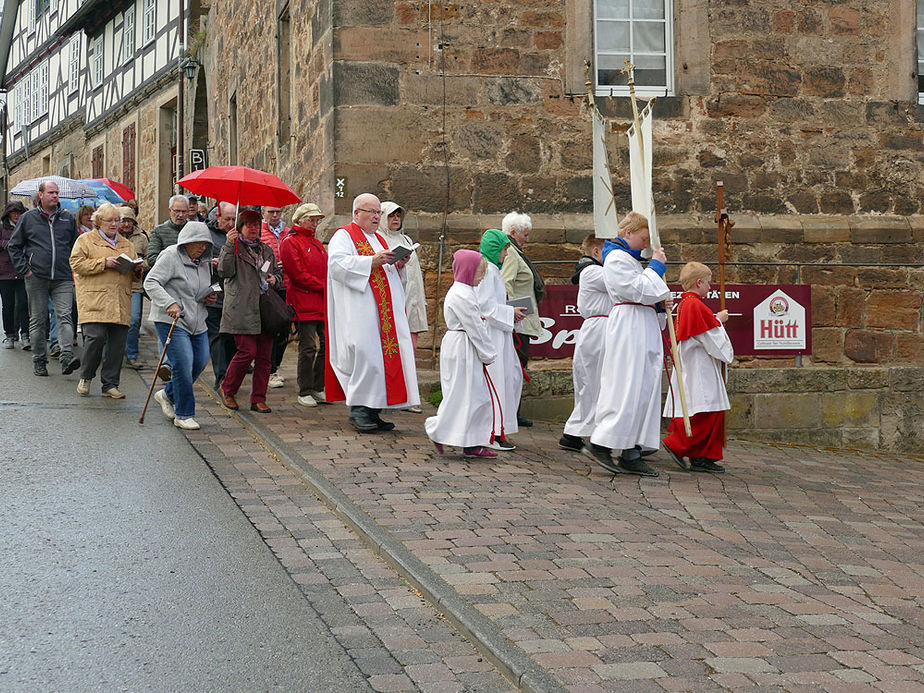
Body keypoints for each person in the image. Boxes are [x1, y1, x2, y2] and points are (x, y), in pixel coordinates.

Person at [326, 193, 420, 432]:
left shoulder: (379, 238)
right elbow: (337, 265)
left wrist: (399, 263)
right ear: (357, 213)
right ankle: (359, 410)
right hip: (359, 310)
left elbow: (387, 270)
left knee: (380, 359)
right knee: (366, 357)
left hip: (384, 311)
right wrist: (371, 261)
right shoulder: (344, 235)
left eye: (379, 212)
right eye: (372, 212)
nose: (378, 217)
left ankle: (374, 410)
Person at [586, 212, 670, 478]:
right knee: (627, 383)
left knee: (643, 386)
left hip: (641, 323)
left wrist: (658, 303)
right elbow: (635, 290)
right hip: (629, 324)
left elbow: (646, 291)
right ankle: (603, 441)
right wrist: (656, 267)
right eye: (643, 238)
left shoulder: (630, 260)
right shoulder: (616, 258)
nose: (645, 245)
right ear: (628, 233)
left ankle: (631, 449)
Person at [144, 221, 217, 430]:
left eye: (205, 244)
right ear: (186, 241)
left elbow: (199, 291)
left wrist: (208, 297)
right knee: (183, 364)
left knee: (200, 361)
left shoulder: (203, 263)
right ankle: (183, 414)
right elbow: (151, 282)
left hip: (197, 320)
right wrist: (170, 303)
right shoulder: (170, 256)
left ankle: (167, 394)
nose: (202, 248)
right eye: (198, 243)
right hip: (172, 320)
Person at [662, 262, 734, 473]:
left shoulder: (687, 304)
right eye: (709, 283)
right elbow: (708, 337)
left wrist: (713, 320)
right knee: (706, 410)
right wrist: (719, 321)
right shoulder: (694, 305)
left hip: (696, 362)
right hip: (699, 365)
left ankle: (703, 456)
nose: (710, 288)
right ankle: (678, 444)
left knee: (711, 409)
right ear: (699, 282)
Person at [426, 250, 498, 458]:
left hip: (462, 345)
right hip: (464, 347)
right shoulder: (463, 295)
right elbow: (475, 327)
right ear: (468, 270)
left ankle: (471, 441)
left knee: (470, 395)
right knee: (466, 394)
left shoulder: (463, 292)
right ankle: (440, 431)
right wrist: (488, 354)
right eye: (479, 272)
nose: (483, 276)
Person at [7, 180, 81, 377]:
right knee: (38, 320)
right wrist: (25, 269)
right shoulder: (28, 218)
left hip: (63, 276)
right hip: (36, 277)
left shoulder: (67, 219)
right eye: (51, 192)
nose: (55, 196)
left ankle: (66, 356)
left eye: (57, 193)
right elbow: (14, 246)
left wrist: (73, 266)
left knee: (65, 316)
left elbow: (77, 246)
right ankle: (39, 360)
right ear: (40, 195)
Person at [69, 202, 140, 398]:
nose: (115, 224)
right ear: (98, 222)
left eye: (117, 220)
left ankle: (110, 384)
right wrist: (103, 263)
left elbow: (135, 273)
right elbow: (76, 264)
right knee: (95, 338)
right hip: (94, 299)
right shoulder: (85, 241)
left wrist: (137, 269)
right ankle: (86, 376)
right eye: (110, 220)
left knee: (117, 344)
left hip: (120, 299)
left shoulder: (127, 244)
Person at [217, 209, 282, 414]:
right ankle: (228, 389)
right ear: (240, 227)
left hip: (265, 308)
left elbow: (277, 274)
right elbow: (224, 271)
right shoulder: (234, 248)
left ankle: (258, 398)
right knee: (247, 352)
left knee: (265, 356)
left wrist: (275, 280)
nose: (253, 229)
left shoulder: (266, 250)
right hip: (241, 308)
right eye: (249, 225)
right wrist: (228, 245)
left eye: (256, 225)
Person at [476, 228, 526, 451]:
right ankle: (491, 431)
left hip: (501, 335)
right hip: (492, 335)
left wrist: (510, 311)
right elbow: (484, 306)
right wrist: (509, 313)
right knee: (497, 380)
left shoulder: (493, 271)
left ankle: (500, 428)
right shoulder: (486, 272)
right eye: (505, 249)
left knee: (510, 378)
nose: (507, 254)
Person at [559, 235, 607, 452]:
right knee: (591, 382)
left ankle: (579, 431)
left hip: (601, 329)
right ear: (596, 252)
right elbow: (620, 280)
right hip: (598, 330)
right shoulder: (592, 272)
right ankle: (577, 432)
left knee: (596, 382)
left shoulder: (596, 271)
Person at [280, 203, 327, 407]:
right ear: (300, 220)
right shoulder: (291, 242)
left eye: (317, 220)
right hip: (304, 300)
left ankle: (318, 386)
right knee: (308, 346)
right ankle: (305, 389)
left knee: (327, 346)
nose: (315, 224)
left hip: (321, 300)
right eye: (311, 220)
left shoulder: (315, 243)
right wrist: (323, 285)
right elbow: (298, 275)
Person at [500, 211, 544, 428]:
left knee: (520, 366)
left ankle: (513, 410)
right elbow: (505, 284)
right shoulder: (511, 255)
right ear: (513, 233)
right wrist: (510, 312)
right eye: (525, 235)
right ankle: (511, 412)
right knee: (516, 366)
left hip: (523, 319)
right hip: (518, 320)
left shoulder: (517, 252)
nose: (528, 239)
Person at [146, 194, 189, 380]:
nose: (180, 215)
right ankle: (165, 364)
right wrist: (172, 263)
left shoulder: (193, 230)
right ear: (170, 211)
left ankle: (177, 363)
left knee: (184, 326)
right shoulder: (159, 231)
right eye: (177, 211)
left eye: (183, 212)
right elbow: (151, 258)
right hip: (166, 285)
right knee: (165, 322)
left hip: (188, 286)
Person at [205, 201, 237, 389]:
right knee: (216, 335)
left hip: (234, 294)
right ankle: (221, 377)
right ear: (218, 217)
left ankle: (231, 375)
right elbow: (196, 258)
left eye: (234, 219)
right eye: (227, 219)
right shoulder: (207, 235)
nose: (231, 223)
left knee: (232, 337)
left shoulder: (238, 235)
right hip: (215, 289)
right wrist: (211, 262)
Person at [260, 205, 291, 389]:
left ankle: (275, 366)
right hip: (268, 287)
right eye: (271, 211)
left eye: (278, 211)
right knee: (270, 330)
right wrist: (270, 269)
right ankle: (269, 370)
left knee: (285, 330)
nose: (275, 215)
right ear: (263, 213)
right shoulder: (260, 233)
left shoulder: (288, 233)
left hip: (287, 286)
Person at [120, 206, 148, 369]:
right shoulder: (113, 236)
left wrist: (140, 265)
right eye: (123, 221)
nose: (126, 224)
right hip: (116, 282)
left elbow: (150, 258)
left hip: (135, 283)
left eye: (129, 221)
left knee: (134, 318)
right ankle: (112, 352)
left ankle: (132, 354)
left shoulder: (142, 238)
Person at [0, 201, 30, 350]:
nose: (16, 215)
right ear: (8, 214)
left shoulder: (26, 226)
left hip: (23, 271)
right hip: (5, 273)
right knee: (8, 305)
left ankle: (25, 334)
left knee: (25, 304)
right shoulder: (2, 227)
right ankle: (10, 335)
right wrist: (7, 243)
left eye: (19, 212)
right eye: (14, 212)